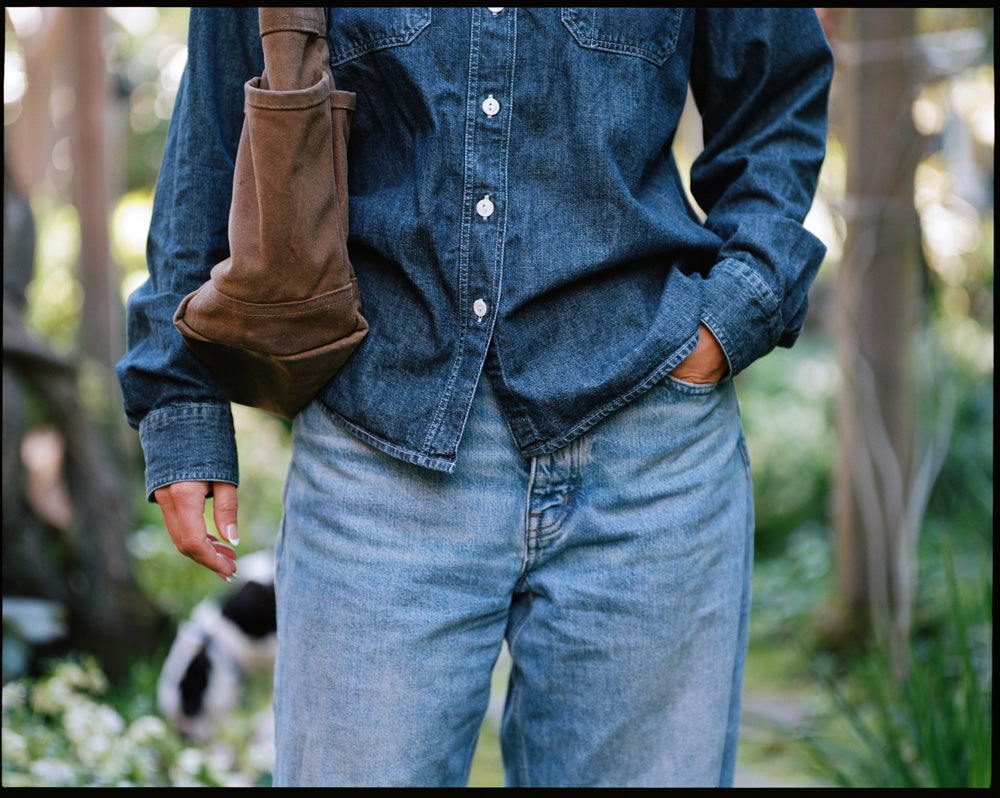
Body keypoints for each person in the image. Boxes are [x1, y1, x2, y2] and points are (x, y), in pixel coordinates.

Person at [118, 8, 833, 787]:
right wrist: (181, 400)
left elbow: (778, 93)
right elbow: (216, 120)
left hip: (650, 453)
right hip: (378, 449)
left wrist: (733, 313)